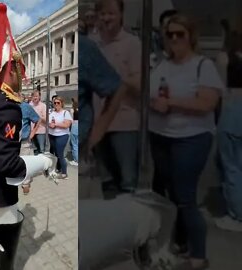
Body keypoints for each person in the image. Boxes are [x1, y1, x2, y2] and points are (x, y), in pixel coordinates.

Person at [0, 3, 55, 269]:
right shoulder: (7, 106)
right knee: (9, 225)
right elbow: (8, 163)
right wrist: (43, 162)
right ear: (10, 69)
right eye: (19, 69)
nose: (23, 75)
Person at [149, 14, 224, 269]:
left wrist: (170, 104)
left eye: (180, 34)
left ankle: (198, 256)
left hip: (191, 139)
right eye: (169, 35)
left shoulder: (203, 65)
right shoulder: (161, 63)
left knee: (185, 198)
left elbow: (207, 103)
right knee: (167, 196)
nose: (174, 39)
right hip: (161, 137)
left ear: (191, 36)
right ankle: (175, 243)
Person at [91, 0, 142, 194]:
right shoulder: (92, 43)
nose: (106, 18)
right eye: (102, 13)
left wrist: (114, 79)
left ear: (121, 14)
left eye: (111, 13)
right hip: (97, 125)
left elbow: (140, 85)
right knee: (107, 182)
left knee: (129, 183)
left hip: (125, 124)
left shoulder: (133, 43)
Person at [215, 31, 242, 232]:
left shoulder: (225, 58)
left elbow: (220, 90)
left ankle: (237, 215)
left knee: (231, 167)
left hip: (232, 112)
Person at [19, 93, 40, 194]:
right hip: (10, 142)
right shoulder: (6, 106)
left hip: (24, 140)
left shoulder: (26, 107)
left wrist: (33, 133)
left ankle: (26, 183)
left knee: (25, 162)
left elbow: (38, 120)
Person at [48, 96, 72, 180]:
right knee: (55, 153)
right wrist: (49, 124)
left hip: (62, 136)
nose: (56, 104)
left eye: (58, 103)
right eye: (55, 103)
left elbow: (66, 125)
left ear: (62, 103)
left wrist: (56, 124)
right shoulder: (51, 112)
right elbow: (46, 121)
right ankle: (58, 168)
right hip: (52, 135)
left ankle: (64, 173)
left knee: (60, 154)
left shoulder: (65, 112)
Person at [30, 89, 47, 155]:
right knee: (34, 149)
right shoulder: (29, 105)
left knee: (41, 149)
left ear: (39, 97)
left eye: (36, 96)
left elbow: (46, 118)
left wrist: (38, 117)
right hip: (31, 130)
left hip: (41, 130)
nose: (35, 97)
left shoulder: (43, 105)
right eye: (33, 96)